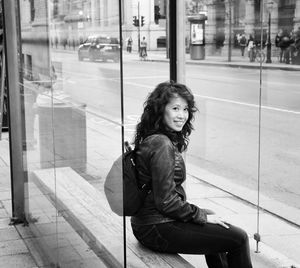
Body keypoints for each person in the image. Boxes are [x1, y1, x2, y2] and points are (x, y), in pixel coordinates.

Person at [131, 81, 253, 268]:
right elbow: (166, 202)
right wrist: (200, 216)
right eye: (175, 108)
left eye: (185, 109)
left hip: (147, 223)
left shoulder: (154, 138)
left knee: (215, 224)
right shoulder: (161, 144)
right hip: (156, 227)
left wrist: (203, 215)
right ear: (160, 111)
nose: (182, 116)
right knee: (240, 238)